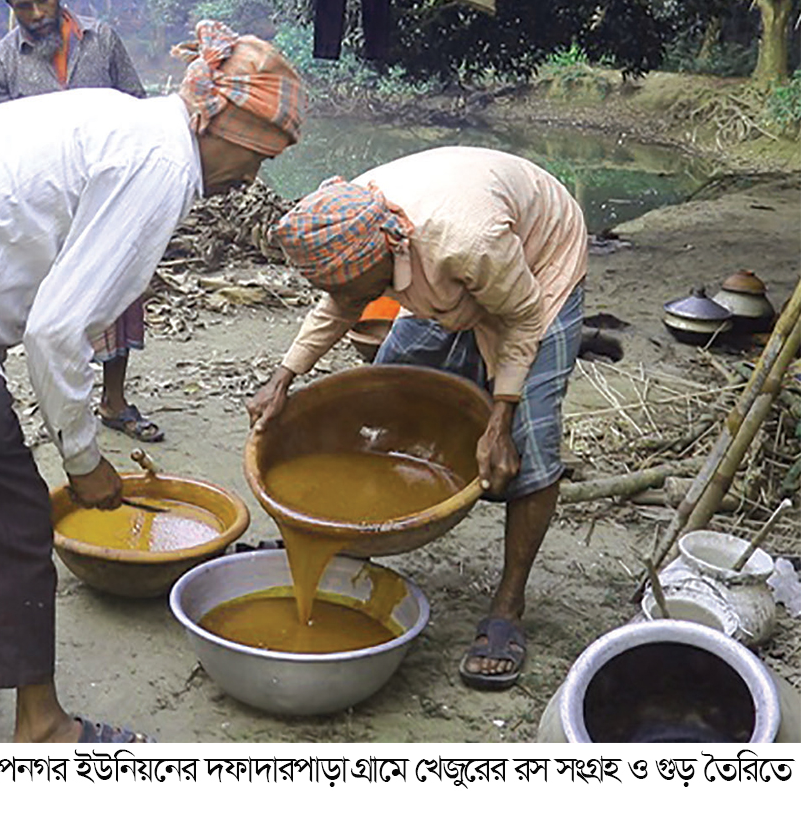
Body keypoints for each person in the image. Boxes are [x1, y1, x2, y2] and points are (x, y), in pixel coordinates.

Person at [0, 20, 303, 742]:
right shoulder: (160, 167)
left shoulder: (127, 124)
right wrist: (85, 462)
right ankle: (42, 724)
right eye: (258, 155)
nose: (252, 178)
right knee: (7, 510)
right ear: (215, 119)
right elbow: (57, 332)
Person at [246, 146, 587, 691]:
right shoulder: (349, 217)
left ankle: (508, 607)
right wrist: (283, 377)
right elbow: (341, 301)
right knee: (388, 385)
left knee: (531, 441)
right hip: (446, 269)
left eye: (364, 288)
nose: (352, 301)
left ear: (390, 256)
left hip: (537, 266)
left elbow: (521, 319)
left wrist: (501, 418)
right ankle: (344, 535)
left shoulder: (467, 240)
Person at [0, 0, 161, 442]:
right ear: (10, 8)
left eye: (43, 0)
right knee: (41, 310)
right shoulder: (0, 64)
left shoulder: (102, 41)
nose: (37, 15)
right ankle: (44, 406)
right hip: (43, 212)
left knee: (118, 297)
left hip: (110, 199)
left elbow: (138, 109)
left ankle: (114, 400)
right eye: (24, 6)